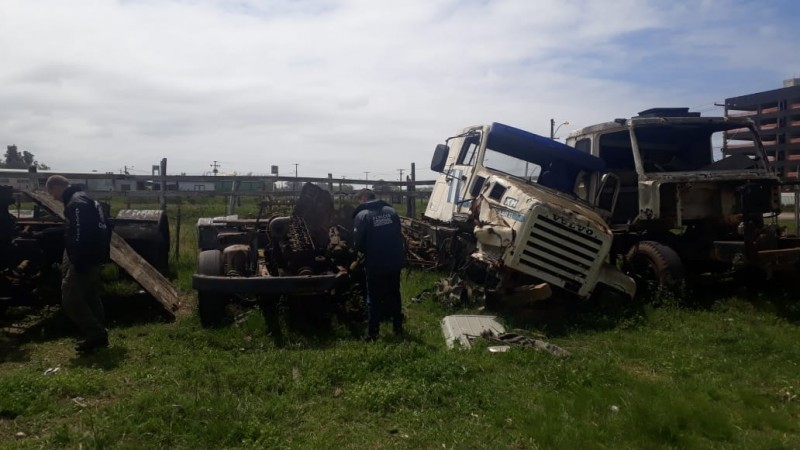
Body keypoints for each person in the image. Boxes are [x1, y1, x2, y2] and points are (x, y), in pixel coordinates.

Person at [45, 175, 113, 354]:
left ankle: (96, 334)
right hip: (96, 255)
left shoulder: (76, 203)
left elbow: (80, 233)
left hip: (85, 257)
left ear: (57, 187)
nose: (53, 198)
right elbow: (108, 226)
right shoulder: (90, 199)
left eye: (52, 193)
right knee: (89, 295)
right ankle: (99, 331)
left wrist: (77, 258)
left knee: (70, 297)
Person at [352, 189, 406, 340]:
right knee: (394, 294)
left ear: (363, 198)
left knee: (373, 298)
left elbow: (358, 243)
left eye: (359, 201)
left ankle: (373, 333)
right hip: (394, 261)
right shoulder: (391, 211)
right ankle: (398, 327)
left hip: (375, 263)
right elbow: (398, 234)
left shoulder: (362, 216)